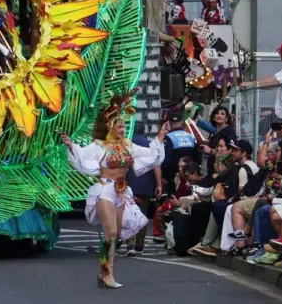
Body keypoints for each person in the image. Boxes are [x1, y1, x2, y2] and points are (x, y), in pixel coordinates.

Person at [62, 91, 168, 288]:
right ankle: (107, 272)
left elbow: (151, 154)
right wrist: (70, 145)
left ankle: (105, 269)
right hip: (105, 191)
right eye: (120, 125)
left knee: (116, 234)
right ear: (110, 126)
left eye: (124, 125)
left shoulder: (128, 146)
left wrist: (160, 138)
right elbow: (81, 156)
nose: (123, 129)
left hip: (121, 192)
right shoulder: (99, 147)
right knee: (110, 232)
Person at [241, 41, 282, 128]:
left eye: (279, 52)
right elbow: (272, 79)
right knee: (274, 133)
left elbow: (272, 83)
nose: (279, 55)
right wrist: (250, 83)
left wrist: (250, 84)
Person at [124, 121, 162, 257]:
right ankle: (140, 245)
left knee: (127, 214)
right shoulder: (150, 145)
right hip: (146, 186)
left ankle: (130, 243)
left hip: (128, 184)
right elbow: (156, 165)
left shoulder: (126, 144)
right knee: (142, 214)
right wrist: (159, 184)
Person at [162, 112, 198, 195]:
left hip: (174, 178)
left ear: (169, 123)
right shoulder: (190, 137)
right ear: (182, 122)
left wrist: (163, 176)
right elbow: (196, 157)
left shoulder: (168, 137)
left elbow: (166, 159)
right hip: (190, 176)